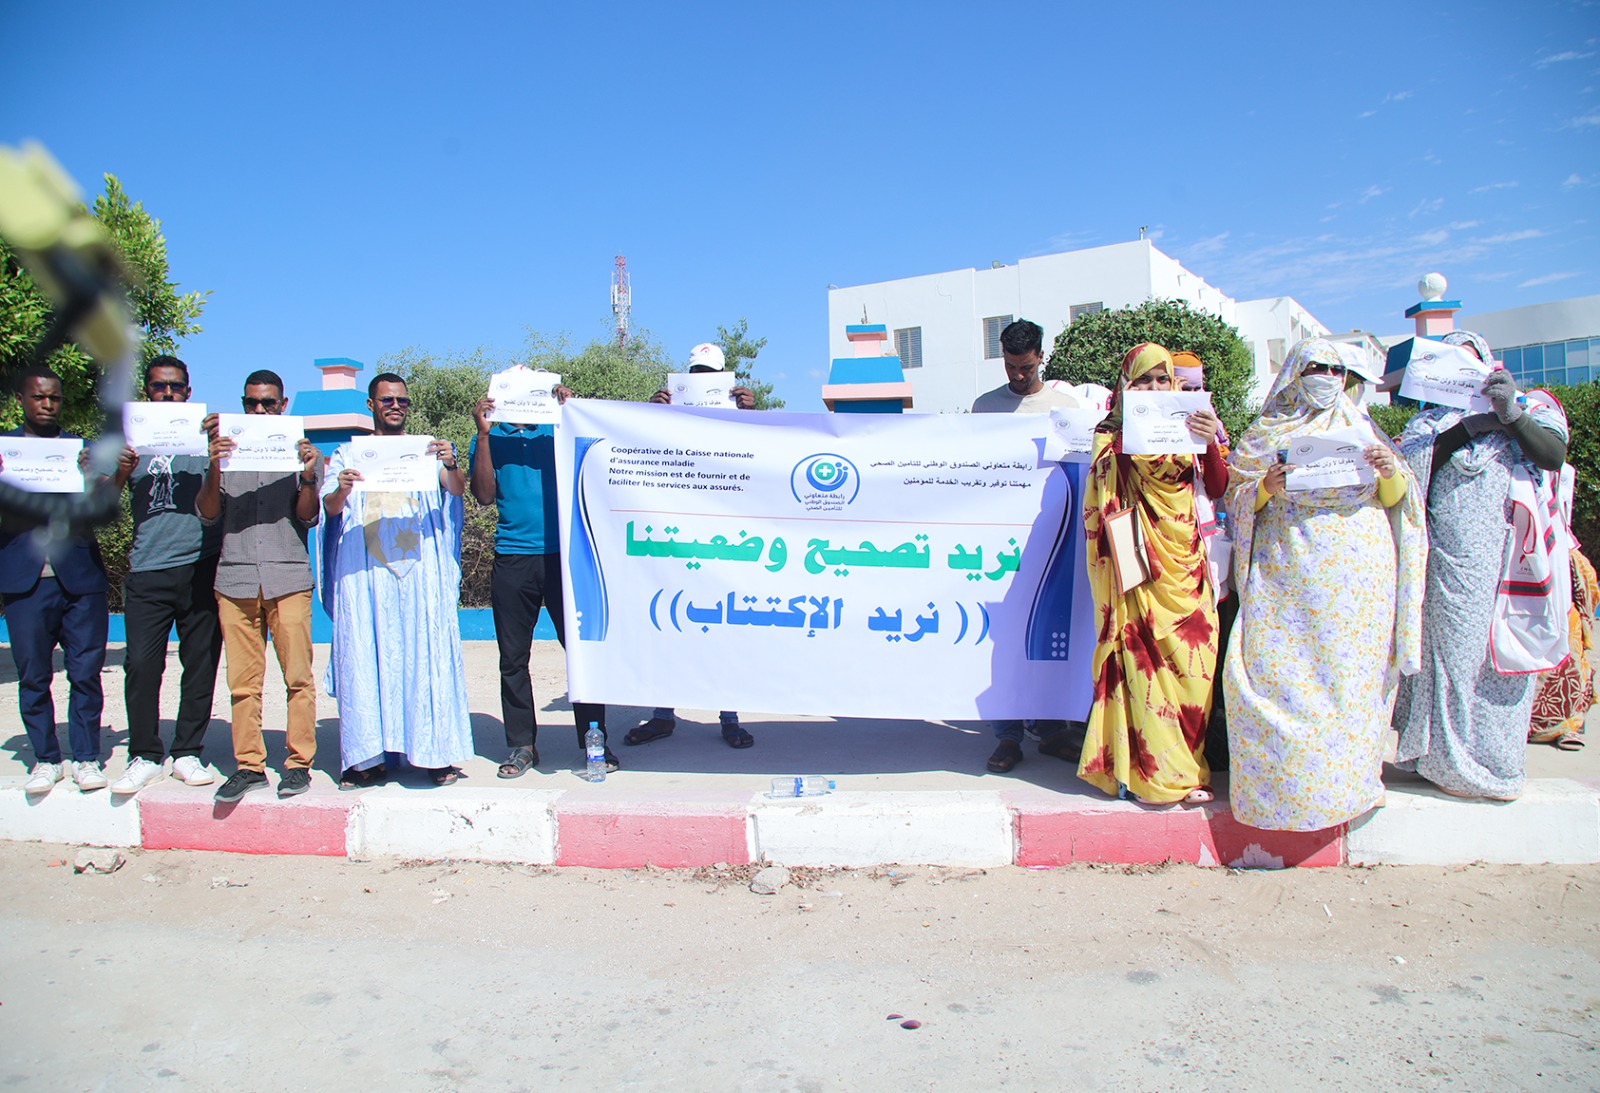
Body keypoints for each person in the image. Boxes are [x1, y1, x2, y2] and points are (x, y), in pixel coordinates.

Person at [1222, 338, 1426, 831]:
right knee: (1281, 679)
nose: (1328, 378)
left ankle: (1350, 788)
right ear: (1295, 371)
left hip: (1357, 583)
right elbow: (1237, 497)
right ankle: (1281, 797)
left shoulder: (1362, 426)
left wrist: (1389, 472)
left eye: (1337, 370)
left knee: (1351, 683)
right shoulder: (1266, 433)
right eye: (1317, 367)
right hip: (1287, 575)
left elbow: (1396, 498)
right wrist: (1267, 485)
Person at [1392, 329, 1570, 801]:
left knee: (1504, 658)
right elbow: (1409, 476)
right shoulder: (1427, 424)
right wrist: (1468, 428)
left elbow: (1551, 455)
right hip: (1450, 566)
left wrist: (1509, 414)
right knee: (1452, 656)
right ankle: (1442, 760)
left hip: (1513, 560)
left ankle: (1491, 760)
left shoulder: (1527, 406)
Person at [1076, 343, 1225, 806]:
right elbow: (1101, 490)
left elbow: (1216, 485)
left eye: (1162, 379)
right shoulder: (1110, 431)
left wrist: (1208, 443)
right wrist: (1125, 443)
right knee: (1143, 666)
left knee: (1195, 669)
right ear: (1126, 386)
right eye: (1143, 380)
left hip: (1185, 562)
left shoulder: (1192, 421)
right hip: (1138, 564)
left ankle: (1189, 766)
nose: (1154, 388)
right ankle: (1151, 777)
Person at [321, 373, 473, 787]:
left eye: (402, 401)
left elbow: (456, 490)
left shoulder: (426, 451)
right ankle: (367, 757)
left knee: (423, 657)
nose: (395, 406)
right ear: (371, 404)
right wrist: (342, 489)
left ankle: (432, 753)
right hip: (364, 574)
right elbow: (330, 509)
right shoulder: (348, 453)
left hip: (419, 574)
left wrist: (450, 464)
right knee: (366, 659)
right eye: (387, 400)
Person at [469, 369, 617, 779]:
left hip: (564, 557)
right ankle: (522, 745)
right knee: (513, 659)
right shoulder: (489, 436)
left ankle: (594, 742)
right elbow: (483, 495)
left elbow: (594, 462)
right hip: (513, 558)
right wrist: (483, 434)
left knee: (582, 653)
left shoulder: (556, 430)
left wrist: (570, 410)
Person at [197, 369, 325, 802]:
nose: (260, 410)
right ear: (243, 404)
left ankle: (298, 763)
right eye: (252, 403)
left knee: (298, 677)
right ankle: (249, 765)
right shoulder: (227, 453)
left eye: (268, 403)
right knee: (243, 682)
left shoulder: (302, 453)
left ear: (283, 405)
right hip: (235, 578)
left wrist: (308, 475)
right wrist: (214, 464)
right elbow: (208, 513)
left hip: (288, 576)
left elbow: (308, 516)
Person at [626, 342, 758, 750]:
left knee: (724, 626)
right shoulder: (669, 413)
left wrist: (750, 416)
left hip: (724, 537)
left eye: (709, 375)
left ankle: (729, 717)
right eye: (696, 374)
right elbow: (643, 452)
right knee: (668, 621)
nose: (702, 381)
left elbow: (758, 458)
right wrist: (653, 415)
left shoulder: (737, 417)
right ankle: (663, 715)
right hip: (676, 534)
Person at [970, 319, 1085, 774]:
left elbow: (1077, 472)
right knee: (1003, 639)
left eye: (1026, 367)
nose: (1018, 375)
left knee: (1047, 634)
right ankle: (1008, 736)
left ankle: (1052, 731)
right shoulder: (985, 407)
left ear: (1040, 357)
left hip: (1051, 538)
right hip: (999, 542)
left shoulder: (1065, 408)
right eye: (1010, 367)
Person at [110, 355, 224, 795]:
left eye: (176, 387)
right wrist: (121, 470)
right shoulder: (128, 440)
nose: (169, 394)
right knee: (141, 665)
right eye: (160, 386)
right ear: (147, 391)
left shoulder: (205, 437)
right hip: (148, 568)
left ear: (188, 393)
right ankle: (144, 753)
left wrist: (217, 449)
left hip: (201, 564)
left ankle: (187, 751)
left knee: (200, 664)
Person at [0, 366, 110, 795]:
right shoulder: (5, 451)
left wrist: (91, 480)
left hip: (80, 579)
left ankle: (85, 757)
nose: (47, 404)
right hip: (24, 580)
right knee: (33, 675)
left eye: (55, 398)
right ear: (21, 400)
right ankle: (46, 759)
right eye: (39, 397)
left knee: (85, 673)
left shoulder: (81, 452)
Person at [1171, 350, 1235, 772]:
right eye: (1182, 387)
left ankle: (1208, 742)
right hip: (1162, 561)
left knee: (1208, 656)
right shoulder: (1141, 427)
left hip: (1206, 560)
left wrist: (1209, 442)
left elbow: (1217, 486)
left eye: (1197, 388)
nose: (1191, 395)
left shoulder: (1212, 428)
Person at [1528, 464, 1596, 750]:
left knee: (1569, 637)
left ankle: (1569, 724)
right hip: (1524, 547)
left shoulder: (1563, 469)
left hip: (1556, 549)